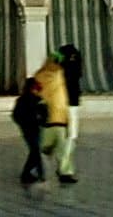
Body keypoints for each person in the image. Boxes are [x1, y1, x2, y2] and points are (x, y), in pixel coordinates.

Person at [34, 50, 76, 184]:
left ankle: (65, 172)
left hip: (59, 119)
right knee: (44, 148)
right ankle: (36, 169)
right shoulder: (41, 76)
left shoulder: (58, 75)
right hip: (47, 119)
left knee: (63, 149)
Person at [12, 77, 47, 183]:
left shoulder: (35, 100)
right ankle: (35, 174)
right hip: (30, 129)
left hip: (33, 129)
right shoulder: (26, 100)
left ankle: (31, 173)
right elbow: (16, 115)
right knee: (35, 151)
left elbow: (45, 114)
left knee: (34, 151)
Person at [58, 43, 83, 182]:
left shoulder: (57, 69)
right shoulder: (73, 69)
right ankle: (65, 170)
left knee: (64, 137)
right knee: (71, 137)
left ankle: (64, 167)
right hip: (71, 104)